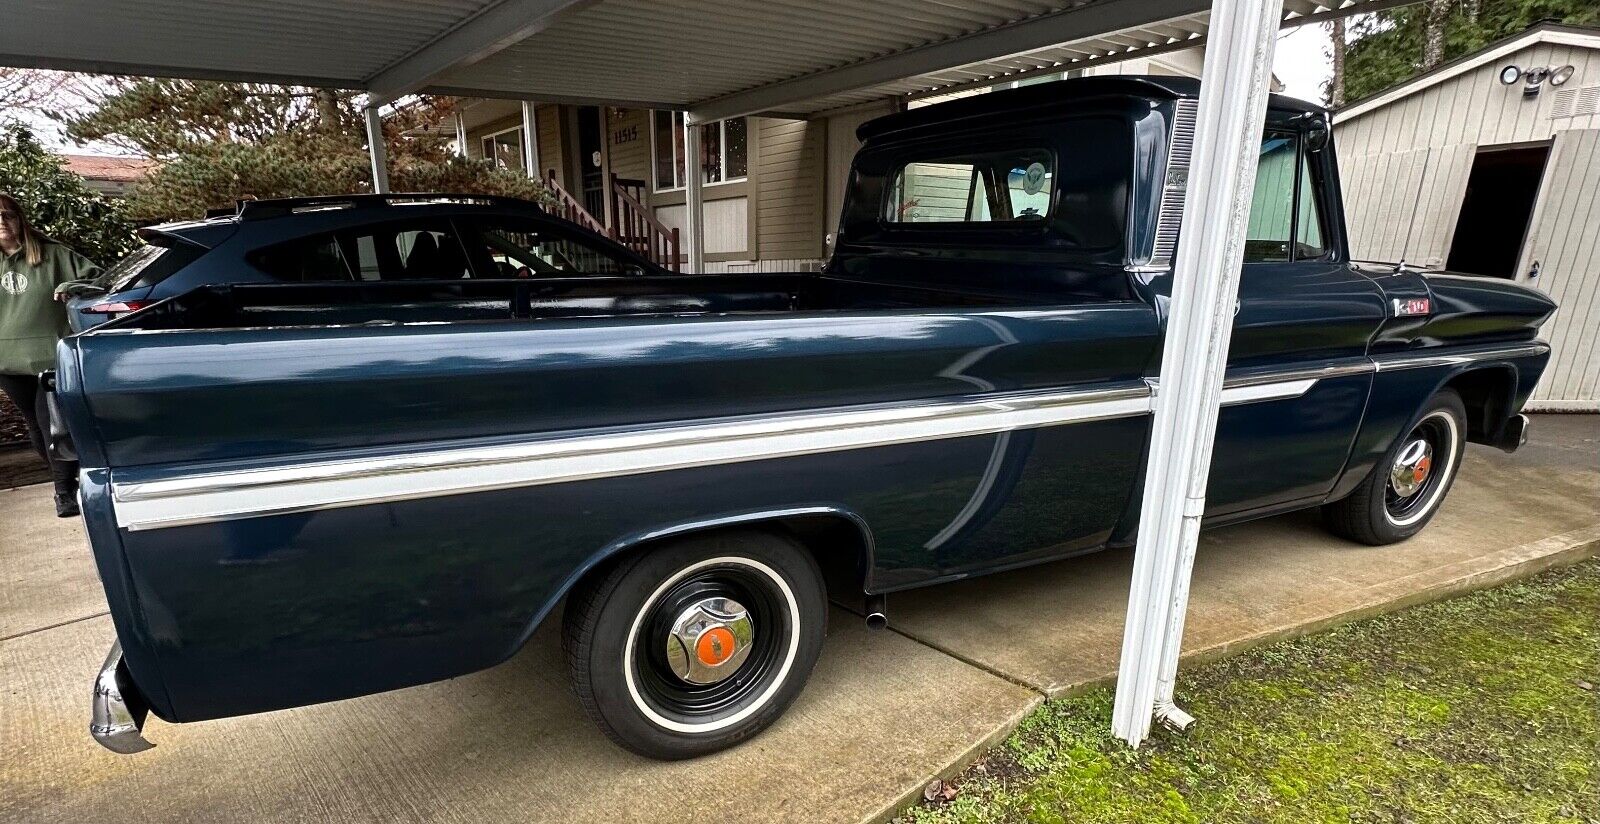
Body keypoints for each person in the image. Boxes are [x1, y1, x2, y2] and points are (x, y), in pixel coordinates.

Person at [0, 193, 101, 516]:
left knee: (52, 425)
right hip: (7, 359)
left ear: (20, 219)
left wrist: (72, 285)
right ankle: (68, 480)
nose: (2, 223)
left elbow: (99, 279)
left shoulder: (54, 255)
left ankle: (63, 492)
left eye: (7, 215)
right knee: (34, 424)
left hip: (48, 357)